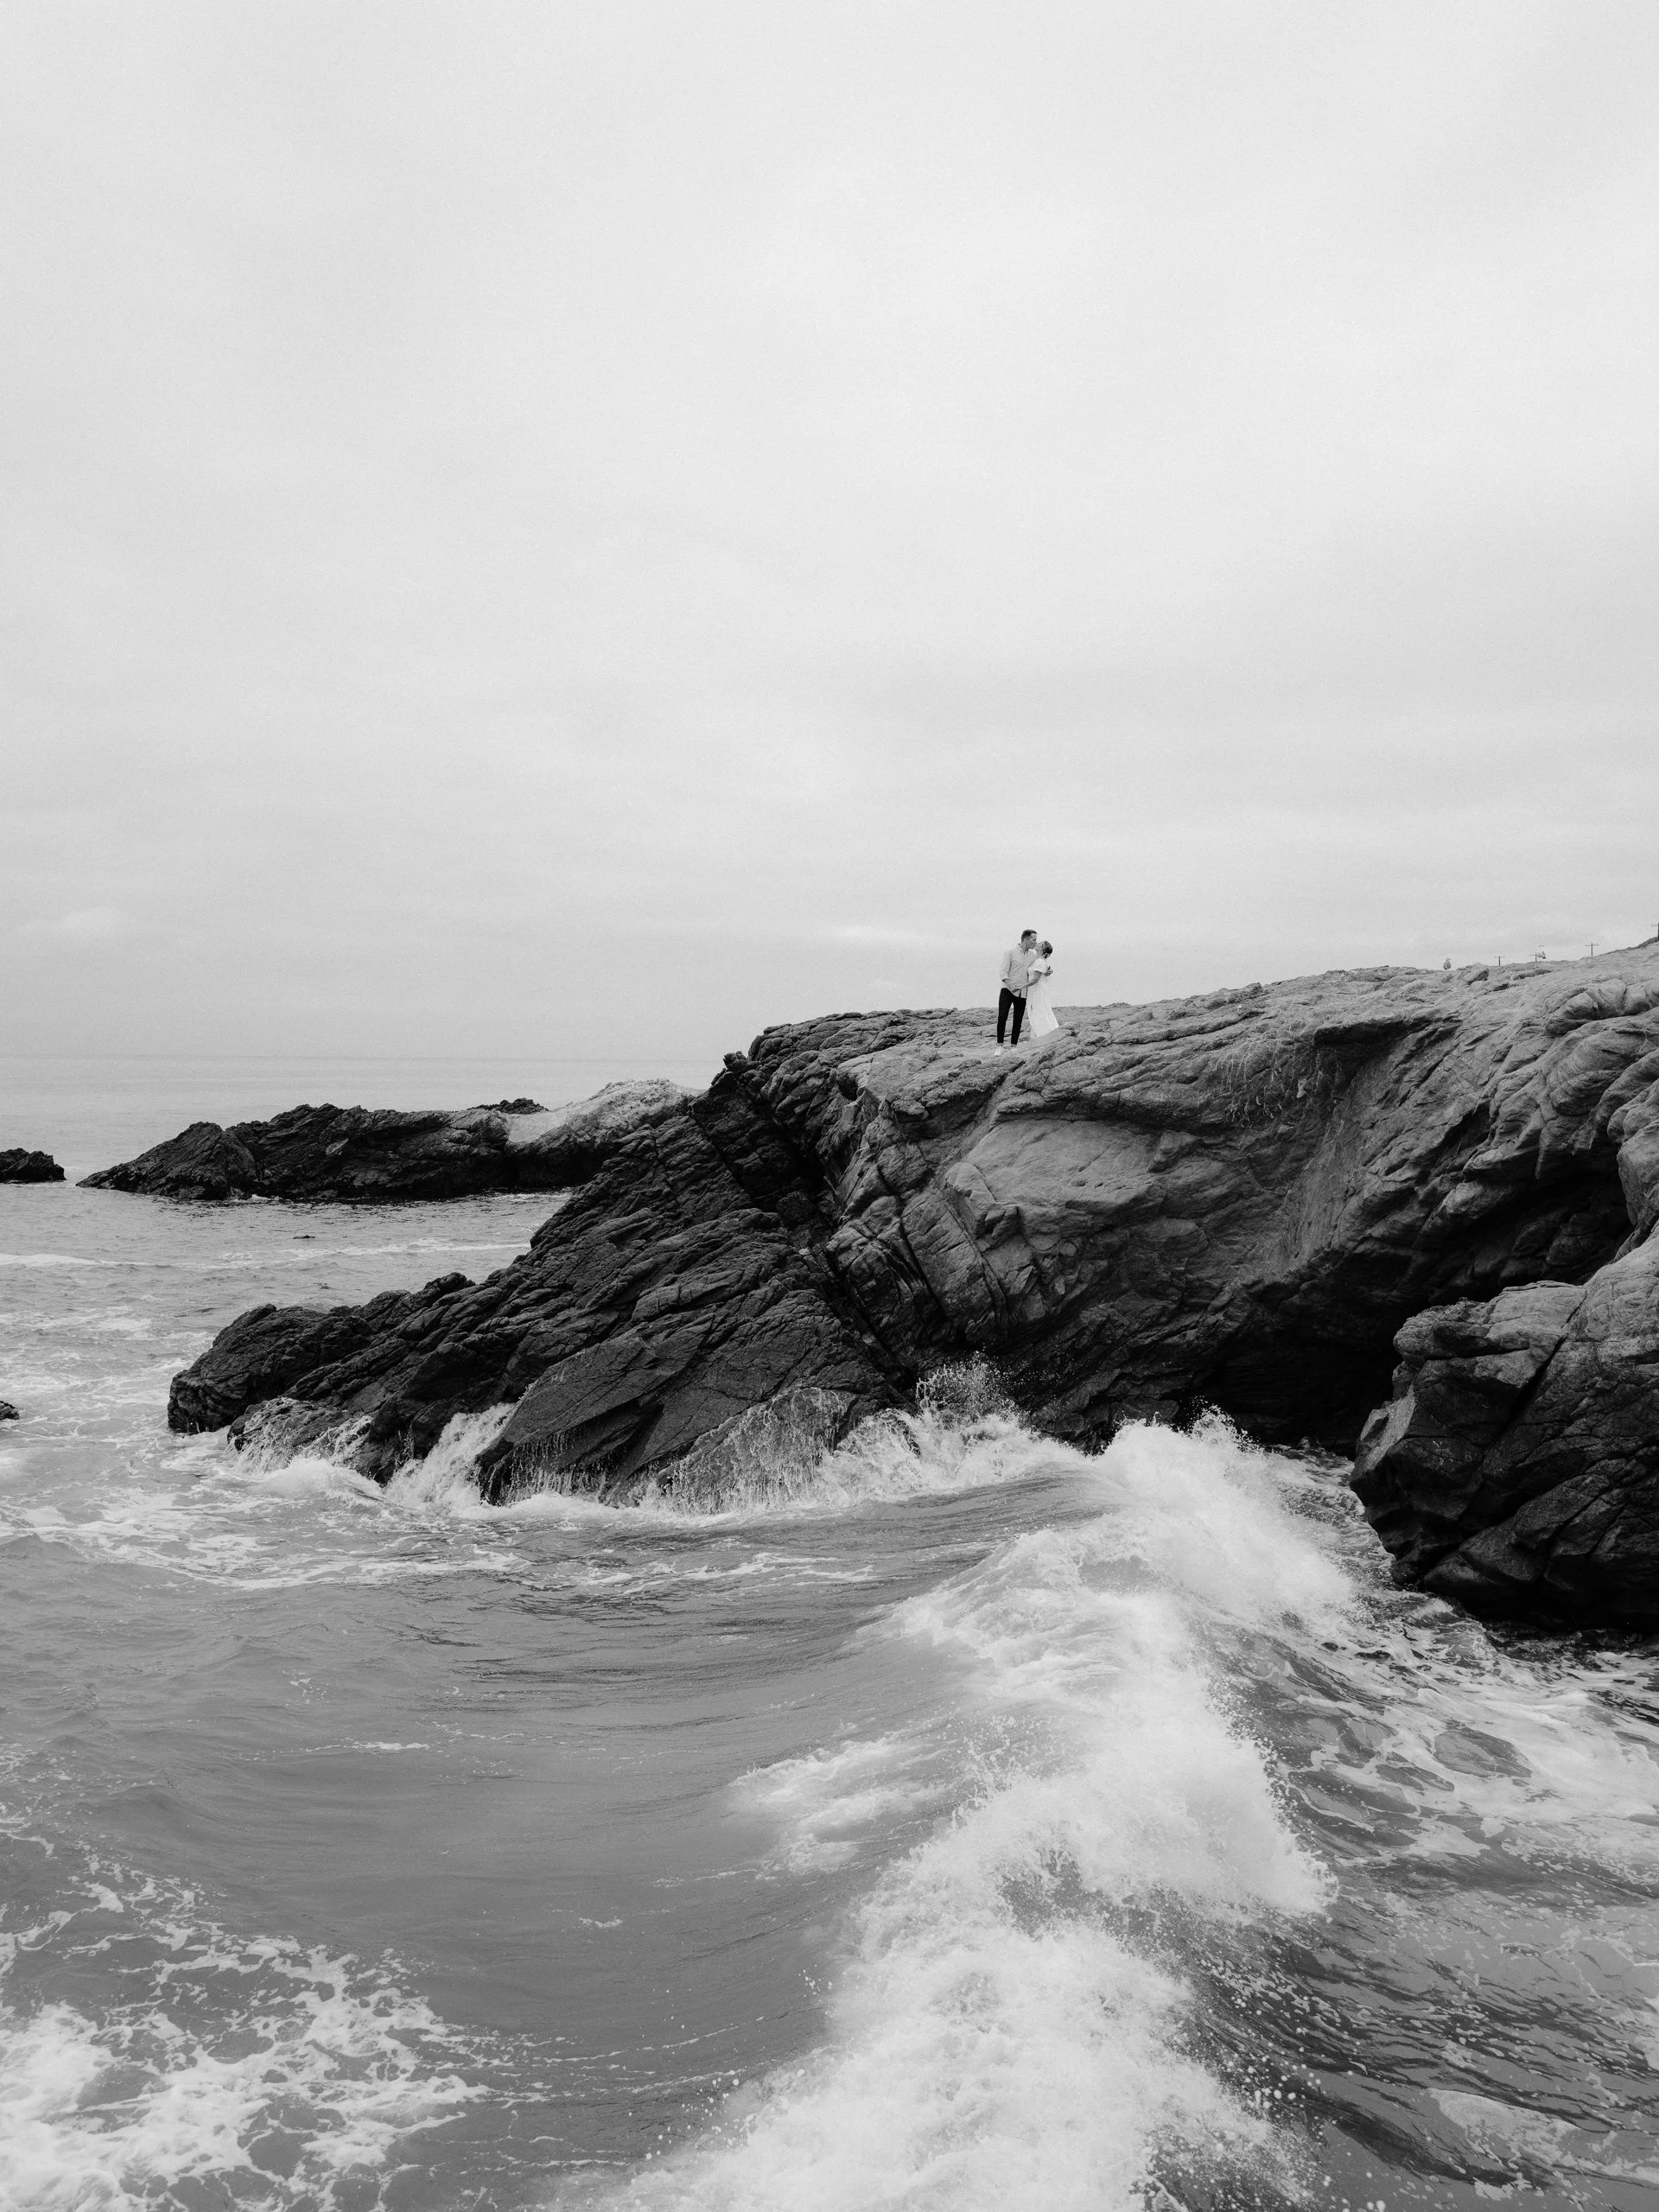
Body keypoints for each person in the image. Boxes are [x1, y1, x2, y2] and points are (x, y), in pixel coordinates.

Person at [996, 931, 1038, 1050]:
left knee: (1018, 1020)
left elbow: (1037, 968)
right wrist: (1010, 985)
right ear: (1026, 940)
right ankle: (999, 1046)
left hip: (1023, 991)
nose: (1035, 943)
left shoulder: (1033, 955)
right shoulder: (1010, 953)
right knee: (1002, 1017)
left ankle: (1014, 1046)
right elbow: (1003, 972)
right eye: (1033, 940)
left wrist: (1048, 971)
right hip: (1007, 990)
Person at [1024, 941, 1060, 1039]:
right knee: (1038, 1010)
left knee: (1040, 1011)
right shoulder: (1036, 959)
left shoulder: (1040, 961)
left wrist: (1021, 987)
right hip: (1035, 990)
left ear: (1042, 949)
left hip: (1037, 990)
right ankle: (1039, 1034)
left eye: (1040, 944)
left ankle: (1044, 1034)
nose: (1037, 943)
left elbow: (1035, 979)